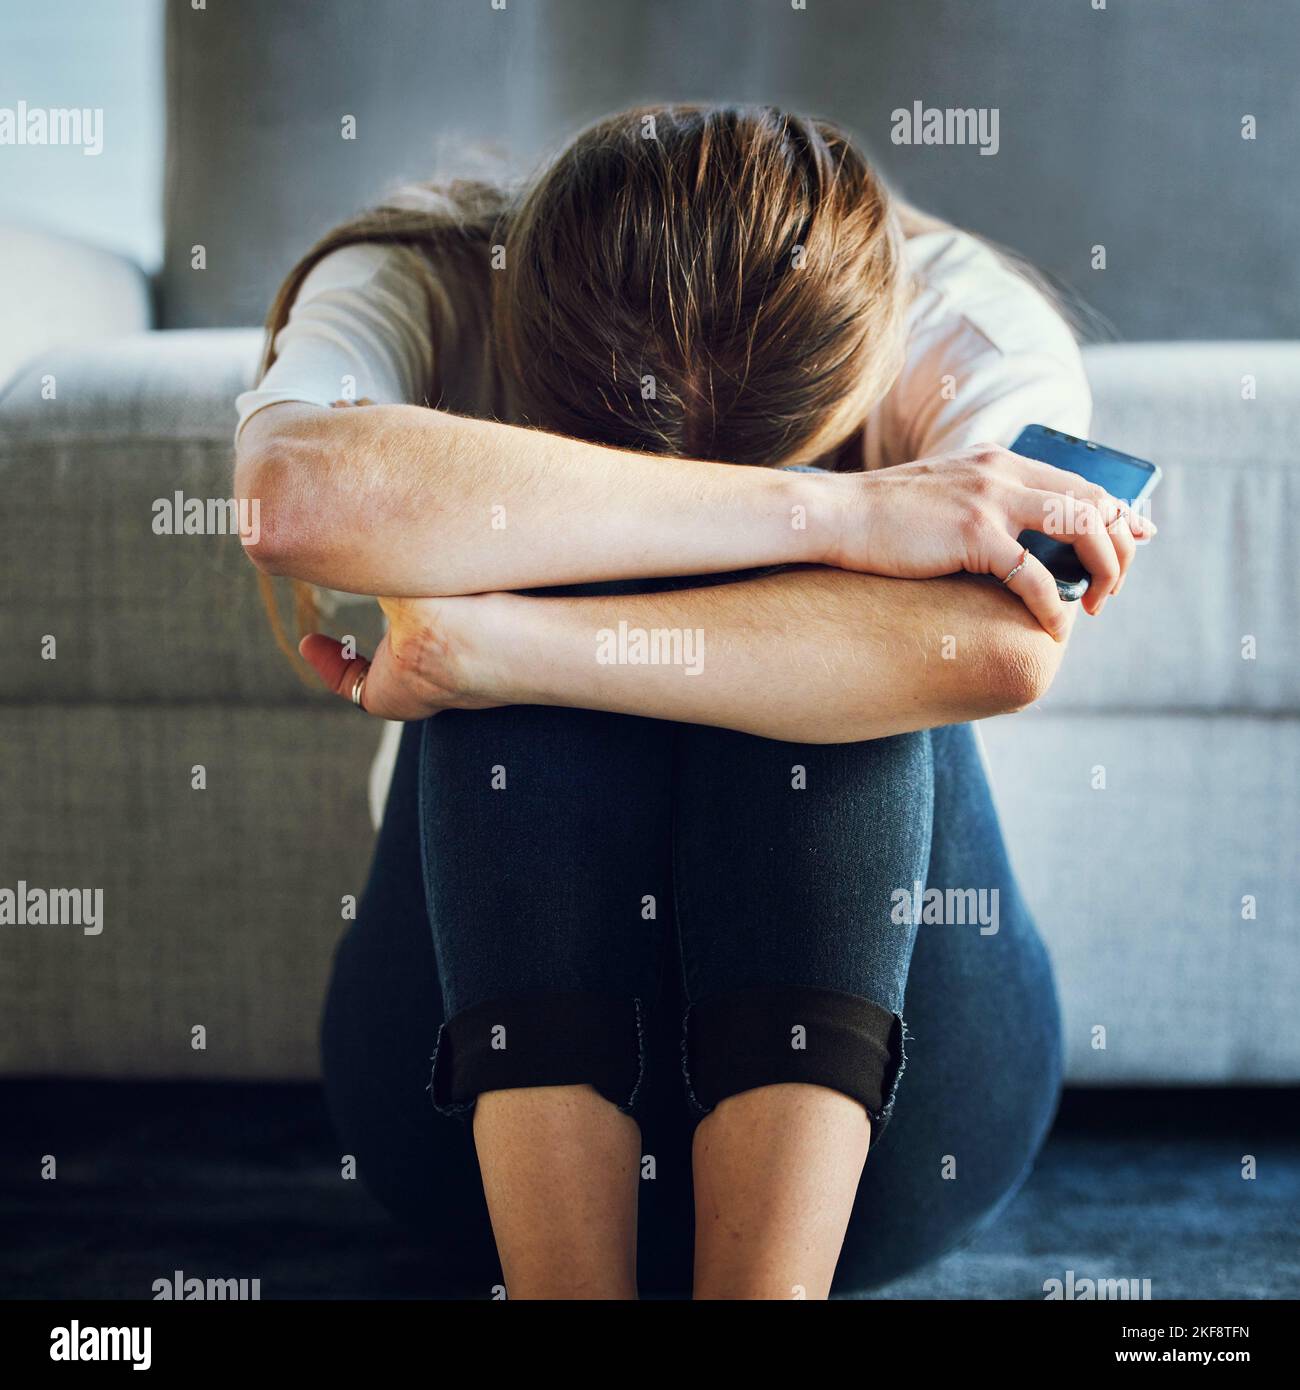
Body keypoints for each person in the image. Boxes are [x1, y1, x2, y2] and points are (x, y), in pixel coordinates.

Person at [234, 105, 1152, 1299]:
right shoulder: (423, 278)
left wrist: (499, 644)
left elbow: (999, 646)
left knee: (841, 688)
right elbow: (289, 499)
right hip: (461, 1115)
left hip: (896, 1130)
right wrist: (837, 516)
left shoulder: (960, 315)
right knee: (578, 646)